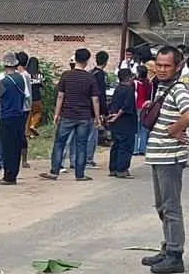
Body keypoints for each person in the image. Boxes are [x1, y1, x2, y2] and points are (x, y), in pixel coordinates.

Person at [141, 46, 189, 274]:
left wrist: (174, 130)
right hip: (158, 155)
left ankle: (175, 254)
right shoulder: (161, 87)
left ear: (178, 66)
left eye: (167, 66)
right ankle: (167, 247)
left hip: (169, 157)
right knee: (161, 205)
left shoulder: (178, 89)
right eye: (159, 64)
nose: (162, 69)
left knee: (171, 206)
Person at [42, 47, 101, 181]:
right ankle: (79, 174)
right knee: (81, 145)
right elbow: (95, 99)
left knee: (59, 143)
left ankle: (54, 171)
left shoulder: (66, 75)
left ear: (75, 59)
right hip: (84, 116)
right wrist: (97, 117)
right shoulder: (90, 78)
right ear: (86, 61)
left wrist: (57, 114)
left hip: (67, 114)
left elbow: (60, 96)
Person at [0, 53, 29, 184]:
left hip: (6, 116)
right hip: (19, 115)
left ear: (5, 65)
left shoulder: (4, 81)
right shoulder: (21, 79)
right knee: (16, 146)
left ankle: (8, 176)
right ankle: (14, 174)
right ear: (16, 65)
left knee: (7, 147)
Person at [106, 67, 138, 179]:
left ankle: (113, 168)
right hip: (126, 122)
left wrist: (112, 117)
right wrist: (117, 116)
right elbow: (126, 106)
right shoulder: (129, 90)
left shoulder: (118, 89)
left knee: (116, 145)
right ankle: (122, 169)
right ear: (129, 78)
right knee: (126, 146)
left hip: (116, 124)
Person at [132, 63, 152, 156]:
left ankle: (135, 148)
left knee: (135, 129)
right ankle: (143, 148)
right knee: (144, 129)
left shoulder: (135, 83)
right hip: (145, 107)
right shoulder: (149, 83)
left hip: (136, 106)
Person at [25, 55, 45, 138]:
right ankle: (33, 125)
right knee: (38, 113)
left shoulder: (26, 75)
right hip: (37, 98)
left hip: (28, 98)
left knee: (28, 116)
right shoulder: (39, 75)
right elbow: (42, 85)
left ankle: (27, 133)